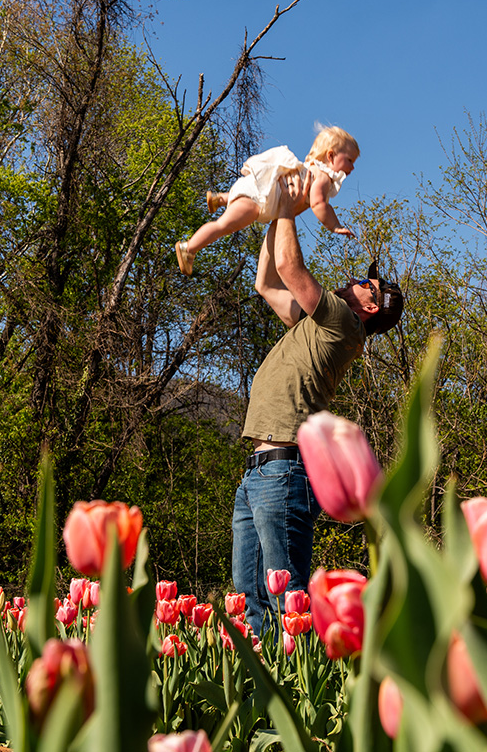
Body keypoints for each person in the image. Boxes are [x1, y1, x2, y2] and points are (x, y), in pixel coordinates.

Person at [233, 173, 404, 635]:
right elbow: (267, 282)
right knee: (252, 605)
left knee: (287, 606)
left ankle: (292, 694)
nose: (355, 281)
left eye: (366, 285)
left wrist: (288, 206)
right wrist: (272, 211)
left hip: (284, 473)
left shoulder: (342, 324)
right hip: (259, 472)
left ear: (371, 308)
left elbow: (290, 267)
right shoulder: (318, 324)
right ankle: (260, 701)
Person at [175, 125, 359, 276]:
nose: (352, 167)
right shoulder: (323, 176)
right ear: (331, 156)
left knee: (238, 211)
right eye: (349, 160)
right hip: (258, 197)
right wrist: (334, 225)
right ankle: (189, 248)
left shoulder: (310, 169)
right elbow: (318, 204)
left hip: (256, 189)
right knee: (224, 225)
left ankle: (221, 198)